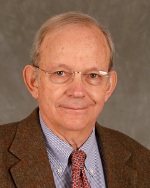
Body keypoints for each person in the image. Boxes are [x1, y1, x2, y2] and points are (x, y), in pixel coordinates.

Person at [0, 11, 149, 188]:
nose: (77, 91)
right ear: (33, 81)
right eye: (60, 73)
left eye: (93, 75)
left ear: (108, 86)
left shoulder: (143, 163)